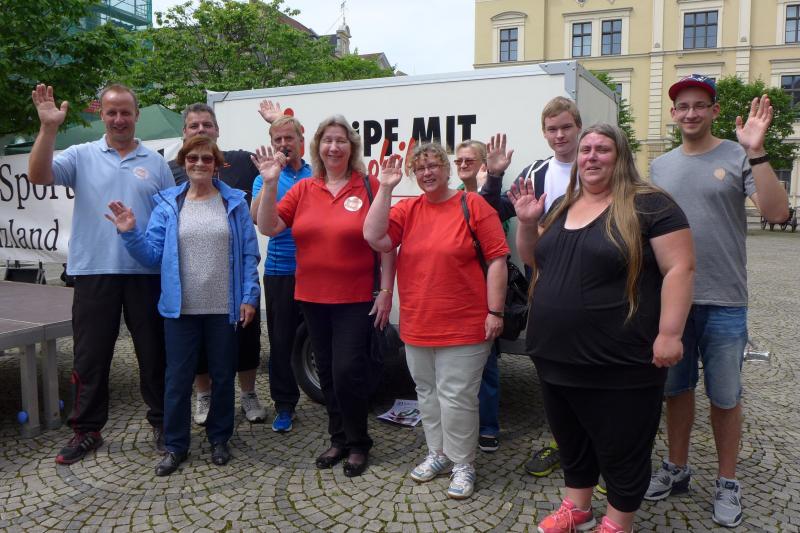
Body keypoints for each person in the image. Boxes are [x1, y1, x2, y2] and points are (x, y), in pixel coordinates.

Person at [511, 123, 695, 533]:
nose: (591, 156)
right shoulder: (564, 205)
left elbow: (680, 268)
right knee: (571, 437)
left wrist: (670, 333)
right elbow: (538, 259)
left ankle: (618, 521)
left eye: (602, 149)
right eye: (586, 149)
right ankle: (578, 507)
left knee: (622, 444)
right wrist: (526, 223)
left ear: (621, 156)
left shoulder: (650, 205)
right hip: (555, 353)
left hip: (620, 358)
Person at [645, 74, 789, 527]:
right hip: (674, 302)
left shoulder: (737, 154)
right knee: (676, 391)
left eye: (699, 105)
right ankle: (677, 467)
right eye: (683, 106)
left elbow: (777, 212)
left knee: (725, 397)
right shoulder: (660, 167)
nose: (690, 113)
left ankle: (727, 480)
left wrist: (756, 150)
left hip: (724, 299)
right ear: (673, 114)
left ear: (713, 111)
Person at [27, 83, 174, 465]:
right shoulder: (81, 155)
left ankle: (164, 423)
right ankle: (87, 430)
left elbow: (170, 218)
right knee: (90, 357)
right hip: (94, 270)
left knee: (154, 355)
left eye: (126, 112)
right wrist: (48, 128)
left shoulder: (156, 163)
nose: (119, 119)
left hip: (145, 272)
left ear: (136, 114)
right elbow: (38, 176)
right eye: (112, 112)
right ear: (101, 115)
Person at [106, 135, 260, 476]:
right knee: (177, 379)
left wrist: (250, 295)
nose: (199, 164)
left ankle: (220, 438)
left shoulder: (234, 203)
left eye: (207, 158)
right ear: (184, 163)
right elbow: (152, 255)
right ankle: (175, 445)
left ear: (216, 165)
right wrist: (130, 232)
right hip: (180, 310)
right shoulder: (168, 205)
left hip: (224, 308)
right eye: (193, 158)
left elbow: (250, 254)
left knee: (222, 376)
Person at [363, 143, 509, 500]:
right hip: (418, 323)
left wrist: (495, 311)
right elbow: (374, 237)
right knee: (427, 394)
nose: (427, 172)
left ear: (446, 168)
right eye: (420, 167)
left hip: (465, 324)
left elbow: (497, 259)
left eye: (433, 165)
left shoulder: (472, 204)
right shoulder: (408, 209)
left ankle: (463, 463)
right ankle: (438, 454)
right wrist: (385, 188)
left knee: (457, 397)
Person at [253, 115, 395, 477]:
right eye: (328, 140)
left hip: (356, 298)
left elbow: (386, 243)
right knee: (328, 372)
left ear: (352, 147)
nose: (334, 147)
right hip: (312, 297)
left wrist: (386, 291)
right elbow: (269, 226)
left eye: (341, 141)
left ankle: (359, 442)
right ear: (317, 147)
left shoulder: (368, 185)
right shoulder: (304, 188)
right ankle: (339, 438)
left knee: (348, 371)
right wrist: (269, 183)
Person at [479, 96, 583, 477]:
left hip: (593, 293)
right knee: (552, 373)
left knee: (594, 372)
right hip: (546, 291)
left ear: (578, 127)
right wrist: (494, 177)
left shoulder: (598, 167)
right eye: (552, 129)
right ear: (544, 133)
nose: (560, 135)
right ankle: (563, 441)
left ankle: (598, 452)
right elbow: (491, 214)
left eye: (566, 127)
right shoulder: (537, 173)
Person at [170, 103, 266, 425]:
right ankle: (204, 394)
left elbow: (278, 156)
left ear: (217, 130)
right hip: (192, 278)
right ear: (184, 132)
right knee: (199, 345)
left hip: (235, 275)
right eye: (194, 125)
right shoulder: (172, 170)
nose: (201, 130)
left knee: (246, 338)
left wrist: (275, 121)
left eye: (207, 124)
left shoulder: (240, 161)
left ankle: (248, 393)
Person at [250, 107, 313, 433]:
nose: (284, 144)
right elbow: (255, 217)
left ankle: (334, 399)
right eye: (278, 139)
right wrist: (269, 178)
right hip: (280, 271)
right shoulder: (264, 176)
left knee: (321, 338)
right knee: (281, 342)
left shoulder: (316, 174)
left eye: (290, 138)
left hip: (316, 271)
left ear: (302, 140)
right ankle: (285, 405)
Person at [454, 138, 505, 454]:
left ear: (483, 164)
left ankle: (487, 427)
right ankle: (461, 427)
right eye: (458, 161)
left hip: (485, 298)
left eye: (469, 160)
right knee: (456, 372)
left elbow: (492, 217)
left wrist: (493, 180)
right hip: (458, 296)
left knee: (485, 368)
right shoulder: (453, 197)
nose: (462, 165)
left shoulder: (496, 197)